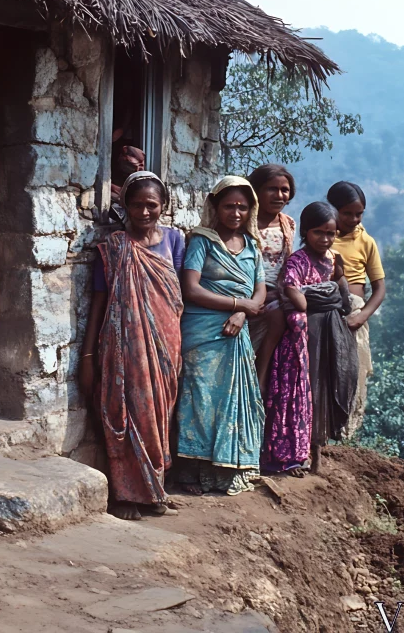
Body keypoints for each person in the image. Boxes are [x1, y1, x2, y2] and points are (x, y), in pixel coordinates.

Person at [80, 171, 185, 521]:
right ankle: (126, 493)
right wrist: (89, 354)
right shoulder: (114, 247)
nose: (144, 212)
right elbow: (99, 300)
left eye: (151, 205)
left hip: (166, 343)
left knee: (158, 414)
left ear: (163, 206)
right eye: (136, 204)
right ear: (124, 205)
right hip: (123, 343)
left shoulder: (175, 241)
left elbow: (178, 294)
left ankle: (154, 488)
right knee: (124, 409)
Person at [175, 176, 267, 495]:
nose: (236, 213)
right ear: (216, 207)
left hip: (236, 332)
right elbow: (190, 288)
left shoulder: (252, 246)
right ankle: (189, 472)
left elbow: (260, 290)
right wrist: (236, 303)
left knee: (234, 400)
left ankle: (227, 469)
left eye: (243, 207)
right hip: (201, 331)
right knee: (199, 398)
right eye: (229, 206)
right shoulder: (202, 241)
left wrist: (241, 312)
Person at [264, 201, 357, 475]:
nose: (325, 239)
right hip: (300, 342)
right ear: (306, 231)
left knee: (320, 393)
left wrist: (332, 282)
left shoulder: (332, 261)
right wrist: (319, 294)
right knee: (296, 395)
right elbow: (296, 298)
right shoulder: (298, 261)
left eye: (331, 233)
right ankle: (288, 457)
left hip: (326, 337)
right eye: (319, 232)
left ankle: (313, 453)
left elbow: (342, 294)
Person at [326, 181, 386, 437]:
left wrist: (361, 316)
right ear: (334, 210)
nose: (352, 218)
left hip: (354, 315)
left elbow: (379, 288)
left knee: (352, 372)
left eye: (358, 213)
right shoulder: (323, 234)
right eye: (347, 213)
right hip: (324, 311)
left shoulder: (366, 241)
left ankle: (344, 430)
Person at [247, 164, 297, 394]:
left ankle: (263, 372)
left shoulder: (288, 224)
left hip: (277, 293)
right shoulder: (244, 220)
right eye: (271, 189)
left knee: (280, 315)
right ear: (256, 190)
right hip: (247, 289)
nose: (279, 195)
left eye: (284, 190)